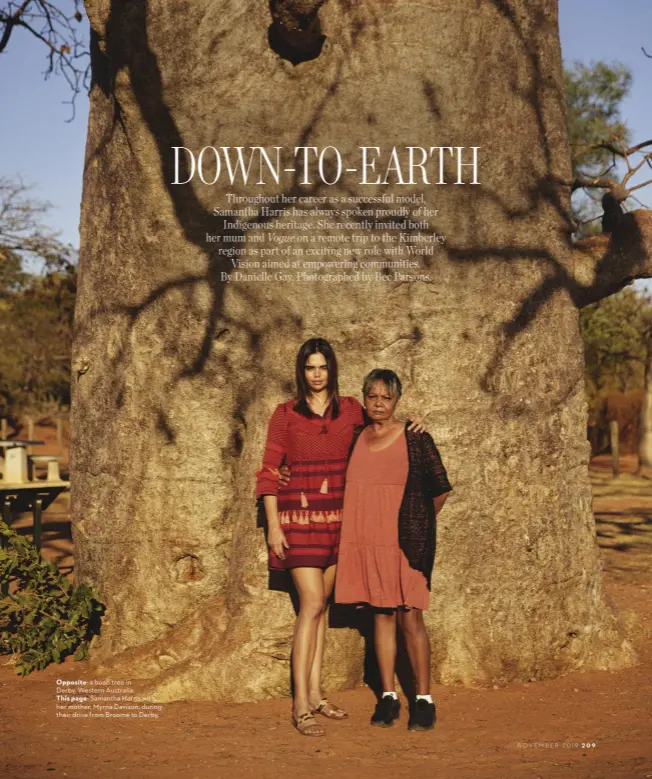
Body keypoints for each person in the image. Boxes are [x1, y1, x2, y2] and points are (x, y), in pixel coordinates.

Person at [256, 340, 425, 736]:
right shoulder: (284, 414)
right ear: (302, 371)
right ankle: (300, 704)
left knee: (322, 608)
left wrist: (415, 423)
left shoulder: (350, 409)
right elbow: (268, 472)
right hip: (297, 519)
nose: (317, 374)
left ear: (332, 370)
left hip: (339, 523)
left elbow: (383, 426)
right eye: (310, 368)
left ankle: (316, 693)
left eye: (323, 367)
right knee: (311, 603)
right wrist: (274, 526)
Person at [335, 368, 452, 732]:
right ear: (365, 399)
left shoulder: (417, 438)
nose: (379, 403)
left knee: (410, 617)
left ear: (397, 401)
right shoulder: (355, 437)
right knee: (380, 617)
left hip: (404, 544)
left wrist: (418, 524)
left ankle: (423, 700)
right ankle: (388, 696)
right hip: (366, 542)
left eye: (386, 397)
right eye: (372, 396)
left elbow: (441, 488)